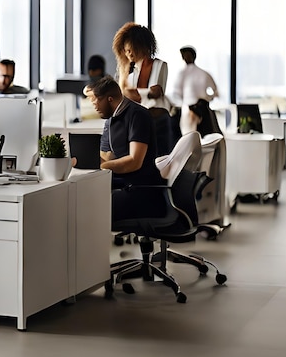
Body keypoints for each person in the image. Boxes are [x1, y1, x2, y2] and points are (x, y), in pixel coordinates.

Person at [84, 75, 166, 222]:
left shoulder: (138, 115)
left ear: (109, 99)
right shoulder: (110, 119)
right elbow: (107, 157)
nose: (94, 105)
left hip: (141, 190)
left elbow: (134, 161)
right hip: (123, 184)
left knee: (91, 208)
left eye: (96, 99)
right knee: (83, 198)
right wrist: (83, 160)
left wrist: (100, 166)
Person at [112, 22, 174, 154]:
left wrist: (131, 93)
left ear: (139, 45)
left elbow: (156, 92)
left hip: (158, 121)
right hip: (139, 123)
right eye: (126, 51)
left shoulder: (159, 65)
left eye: (129, 50)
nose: (128, 54)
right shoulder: (131, 74)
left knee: (160, 159)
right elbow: (127, 95)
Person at [172, 45, 219, 134]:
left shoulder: (184, 74)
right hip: (193, 109)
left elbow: (177, 93)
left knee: (193, 138)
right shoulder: (184, 74)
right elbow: (215, 92)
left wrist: (205, 99)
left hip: (198, 109)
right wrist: (207, 98)